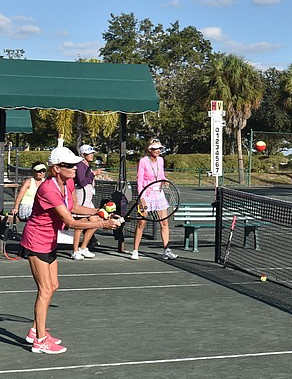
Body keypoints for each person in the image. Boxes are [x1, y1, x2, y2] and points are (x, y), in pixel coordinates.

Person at [20, 146, 121, 354]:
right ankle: (39, 340)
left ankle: (34, 329)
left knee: (53, 286)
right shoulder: (48, 189)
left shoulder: (67, 182)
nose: (75, 168)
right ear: (56, 168)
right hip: (36, 240)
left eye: (75, 164)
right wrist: (103, 225)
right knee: (45, 290)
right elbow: (70, 221)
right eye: (69, 165)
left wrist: (100, 212)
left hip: (50, 240)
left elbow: (74, 207)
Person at [130, 138, 177, 260]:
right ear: (149, 149)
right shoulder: (143, 161)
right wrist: (141, 198)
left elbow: (161, 175)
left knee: (164, 223)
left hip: (159, 194)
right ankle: (135, 250)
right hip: (146, 194)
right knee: (142, 222)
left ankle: (166, 250)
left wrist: (165, 181)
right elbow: (139, 180)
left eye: (159, 148)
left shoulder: (161, 160)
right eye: (155, 148)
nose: (158, 151)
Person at [71, 144, 102, 260]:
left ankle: (83, 247)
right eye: (89, 153)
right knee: (80, 225)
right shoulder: (80, 165)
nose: (92, 155)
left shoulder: (86, 165)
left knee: (95, 222)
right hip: (82, 197)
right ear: (83, 155)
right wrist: (93, 174)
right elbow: (82, 182)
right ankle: (75, 251)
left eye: (92, 153)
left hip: (88, 198)